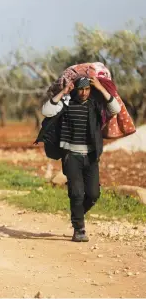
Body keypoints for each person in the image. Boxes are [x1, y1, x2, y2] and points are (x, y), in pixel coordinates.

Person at [41, 76, 121, 242]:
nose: (84, 93)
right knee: (76, 193)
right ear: (75, 89)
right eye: (81, 89)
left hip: (91, 156)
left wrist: (100, 87)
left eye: (87, 89)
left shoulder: (96, 106)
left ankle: (77, 214)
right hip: (71, 156)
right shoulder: (66, 103)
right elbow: (47, 111)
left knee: (93, 194)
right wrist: (63, 92)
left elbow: (115, 109)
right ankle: (79, 229)